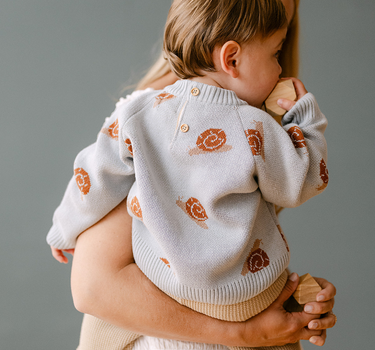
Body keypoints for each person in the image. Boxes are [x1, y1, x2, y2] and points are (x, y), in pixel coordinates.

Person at [49, 0, 337, 349]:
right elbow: (306, 179)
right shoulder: (254, 127)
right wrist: (306, 122)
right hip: (237, 302)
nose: (280, 69)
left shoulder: (137, 116)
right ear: (232, 59)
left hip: (167, 282)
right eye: (276, 52)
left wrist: (63, 228)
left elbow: (91, 176)